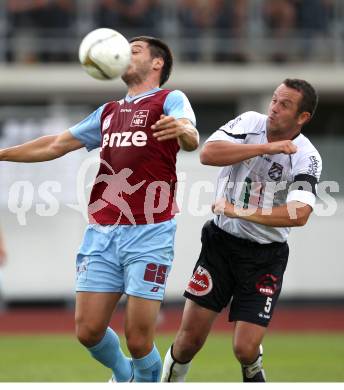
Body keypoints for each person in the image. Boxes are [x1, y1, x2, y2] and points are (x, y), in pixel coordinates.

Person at [0, 36, 199, 382]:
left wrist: (182, 128)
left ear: (157, 63)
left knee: (138, 340)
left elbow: (190, 135)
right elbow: (56, 144)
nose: (126, 53)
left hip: (150, 230)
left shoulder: (170, 99)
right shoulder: (108, 112)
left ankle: (150, 381)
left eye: (135, 50)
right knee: (88, 331)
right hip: (103, 229)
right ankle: (124, 376)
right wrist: (2, 153)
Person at [161, 78, 322, 382]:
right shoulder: (250, 122)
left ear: (303, 117)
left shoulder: (307, 156)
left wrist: (240, 211)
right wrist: (266, 147)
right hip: (220, 247)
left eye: (284, 104)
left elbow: (299, 214)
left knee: (245, 350)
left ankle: (253, 366)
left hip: (264, 258)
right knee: (188, 342)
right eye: (274, 99)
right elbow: (208, 154)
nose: (273, 108)